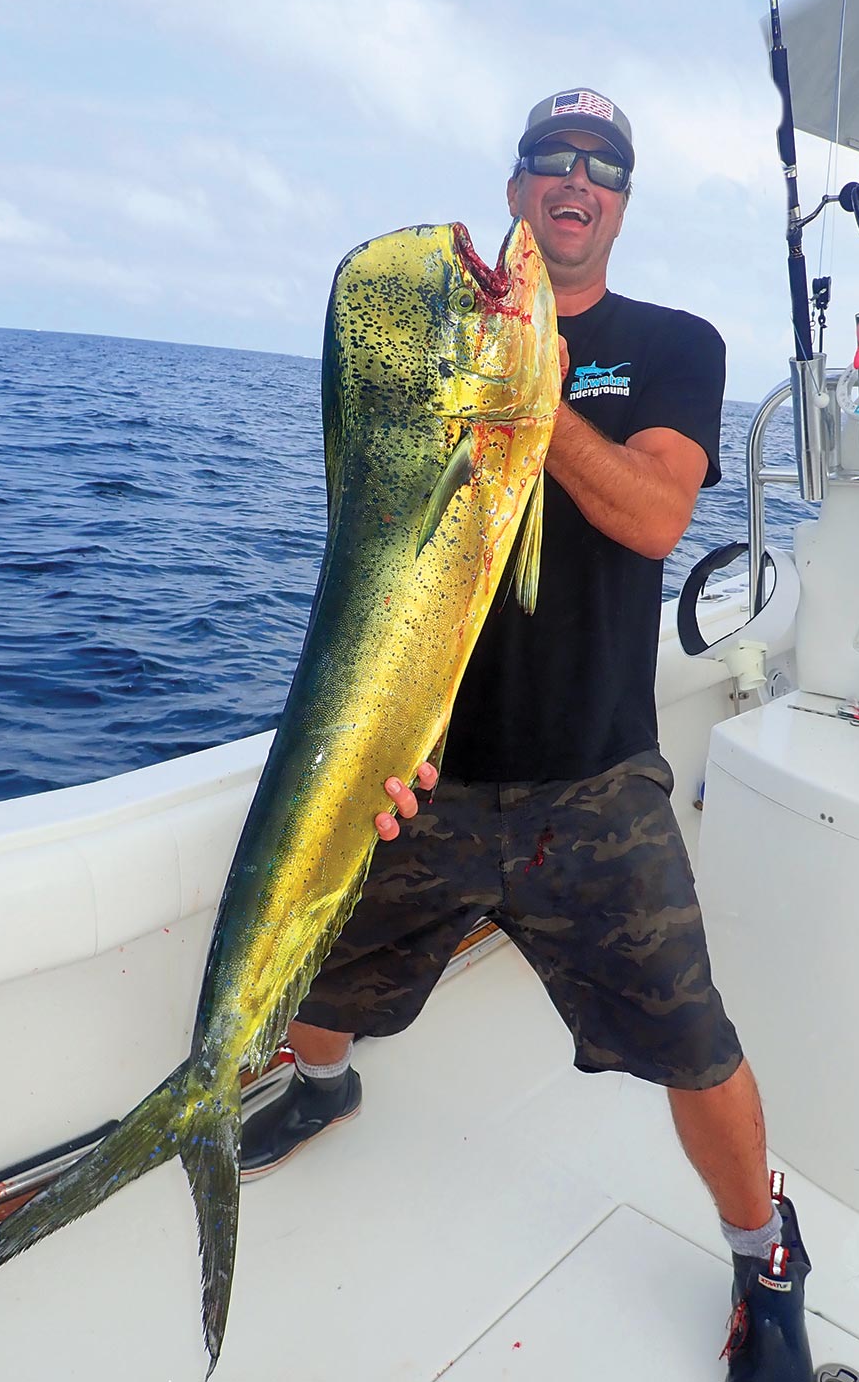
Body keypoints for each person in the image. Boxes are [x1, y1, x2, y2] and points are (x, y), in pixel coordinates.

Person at [240, 89, 814, 1380]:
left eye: (602, 165)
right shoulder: (452, 337)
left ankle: (762, 1248)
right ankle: (322, 1084)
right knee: (319, 978)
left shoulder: (671, 345)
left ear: (621, 200)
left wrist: (526, 390)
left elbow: (661, 515)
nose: (575, 180)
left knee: (695, 1040)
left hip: (597, 786)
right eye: (550, 160)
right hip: (432, 775)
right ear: (515, 192)